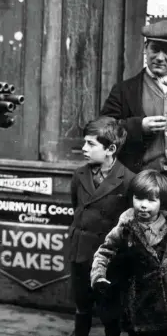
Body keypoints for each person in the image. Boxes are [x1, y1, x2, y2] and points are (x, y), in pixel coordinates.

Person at [69, 116, 136, 336]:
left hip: (108, 259)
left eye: (91, 144)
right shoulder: (79, 175)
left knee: (110, 313)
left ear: (111, 149)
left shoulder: (128, 180)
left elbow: (129, 224)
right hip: (80, 254)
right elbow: (78, 209)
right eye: (84, 142)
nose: (83, 148)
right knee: (82, 307)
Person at [91, 169, 167, 336]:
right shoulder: (126, 225)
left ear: (162, 202)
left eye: (151, 200)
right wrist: (99, 276)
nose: (143, 205)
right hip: (136, 302)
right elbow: (104, 252)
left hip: (163, 304)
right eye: (138, 198)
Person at [101, 20, 167, 174]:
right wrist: (139, 126)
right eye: (155, 49)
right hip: (140, 182)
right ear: (145, 48)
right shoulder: (124, 90)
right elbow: (102, 130)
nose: (160, 58)